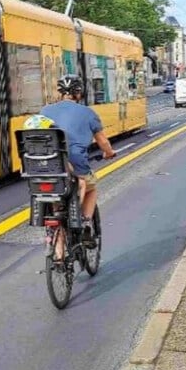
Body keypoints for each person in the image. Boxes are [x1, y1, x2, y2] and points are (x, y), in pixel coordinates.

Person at [39, 75, 116, 246]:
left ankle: (58, 257)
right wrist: (109, 153)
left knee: (57, 204)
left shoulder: (45, 111)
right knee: (91, 187)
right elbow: (103, 142)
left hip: (49, 168)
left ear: (59, 93)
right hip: (76, 167)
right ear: (79, 93)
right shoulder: (88, 113)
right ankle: (87, 221)